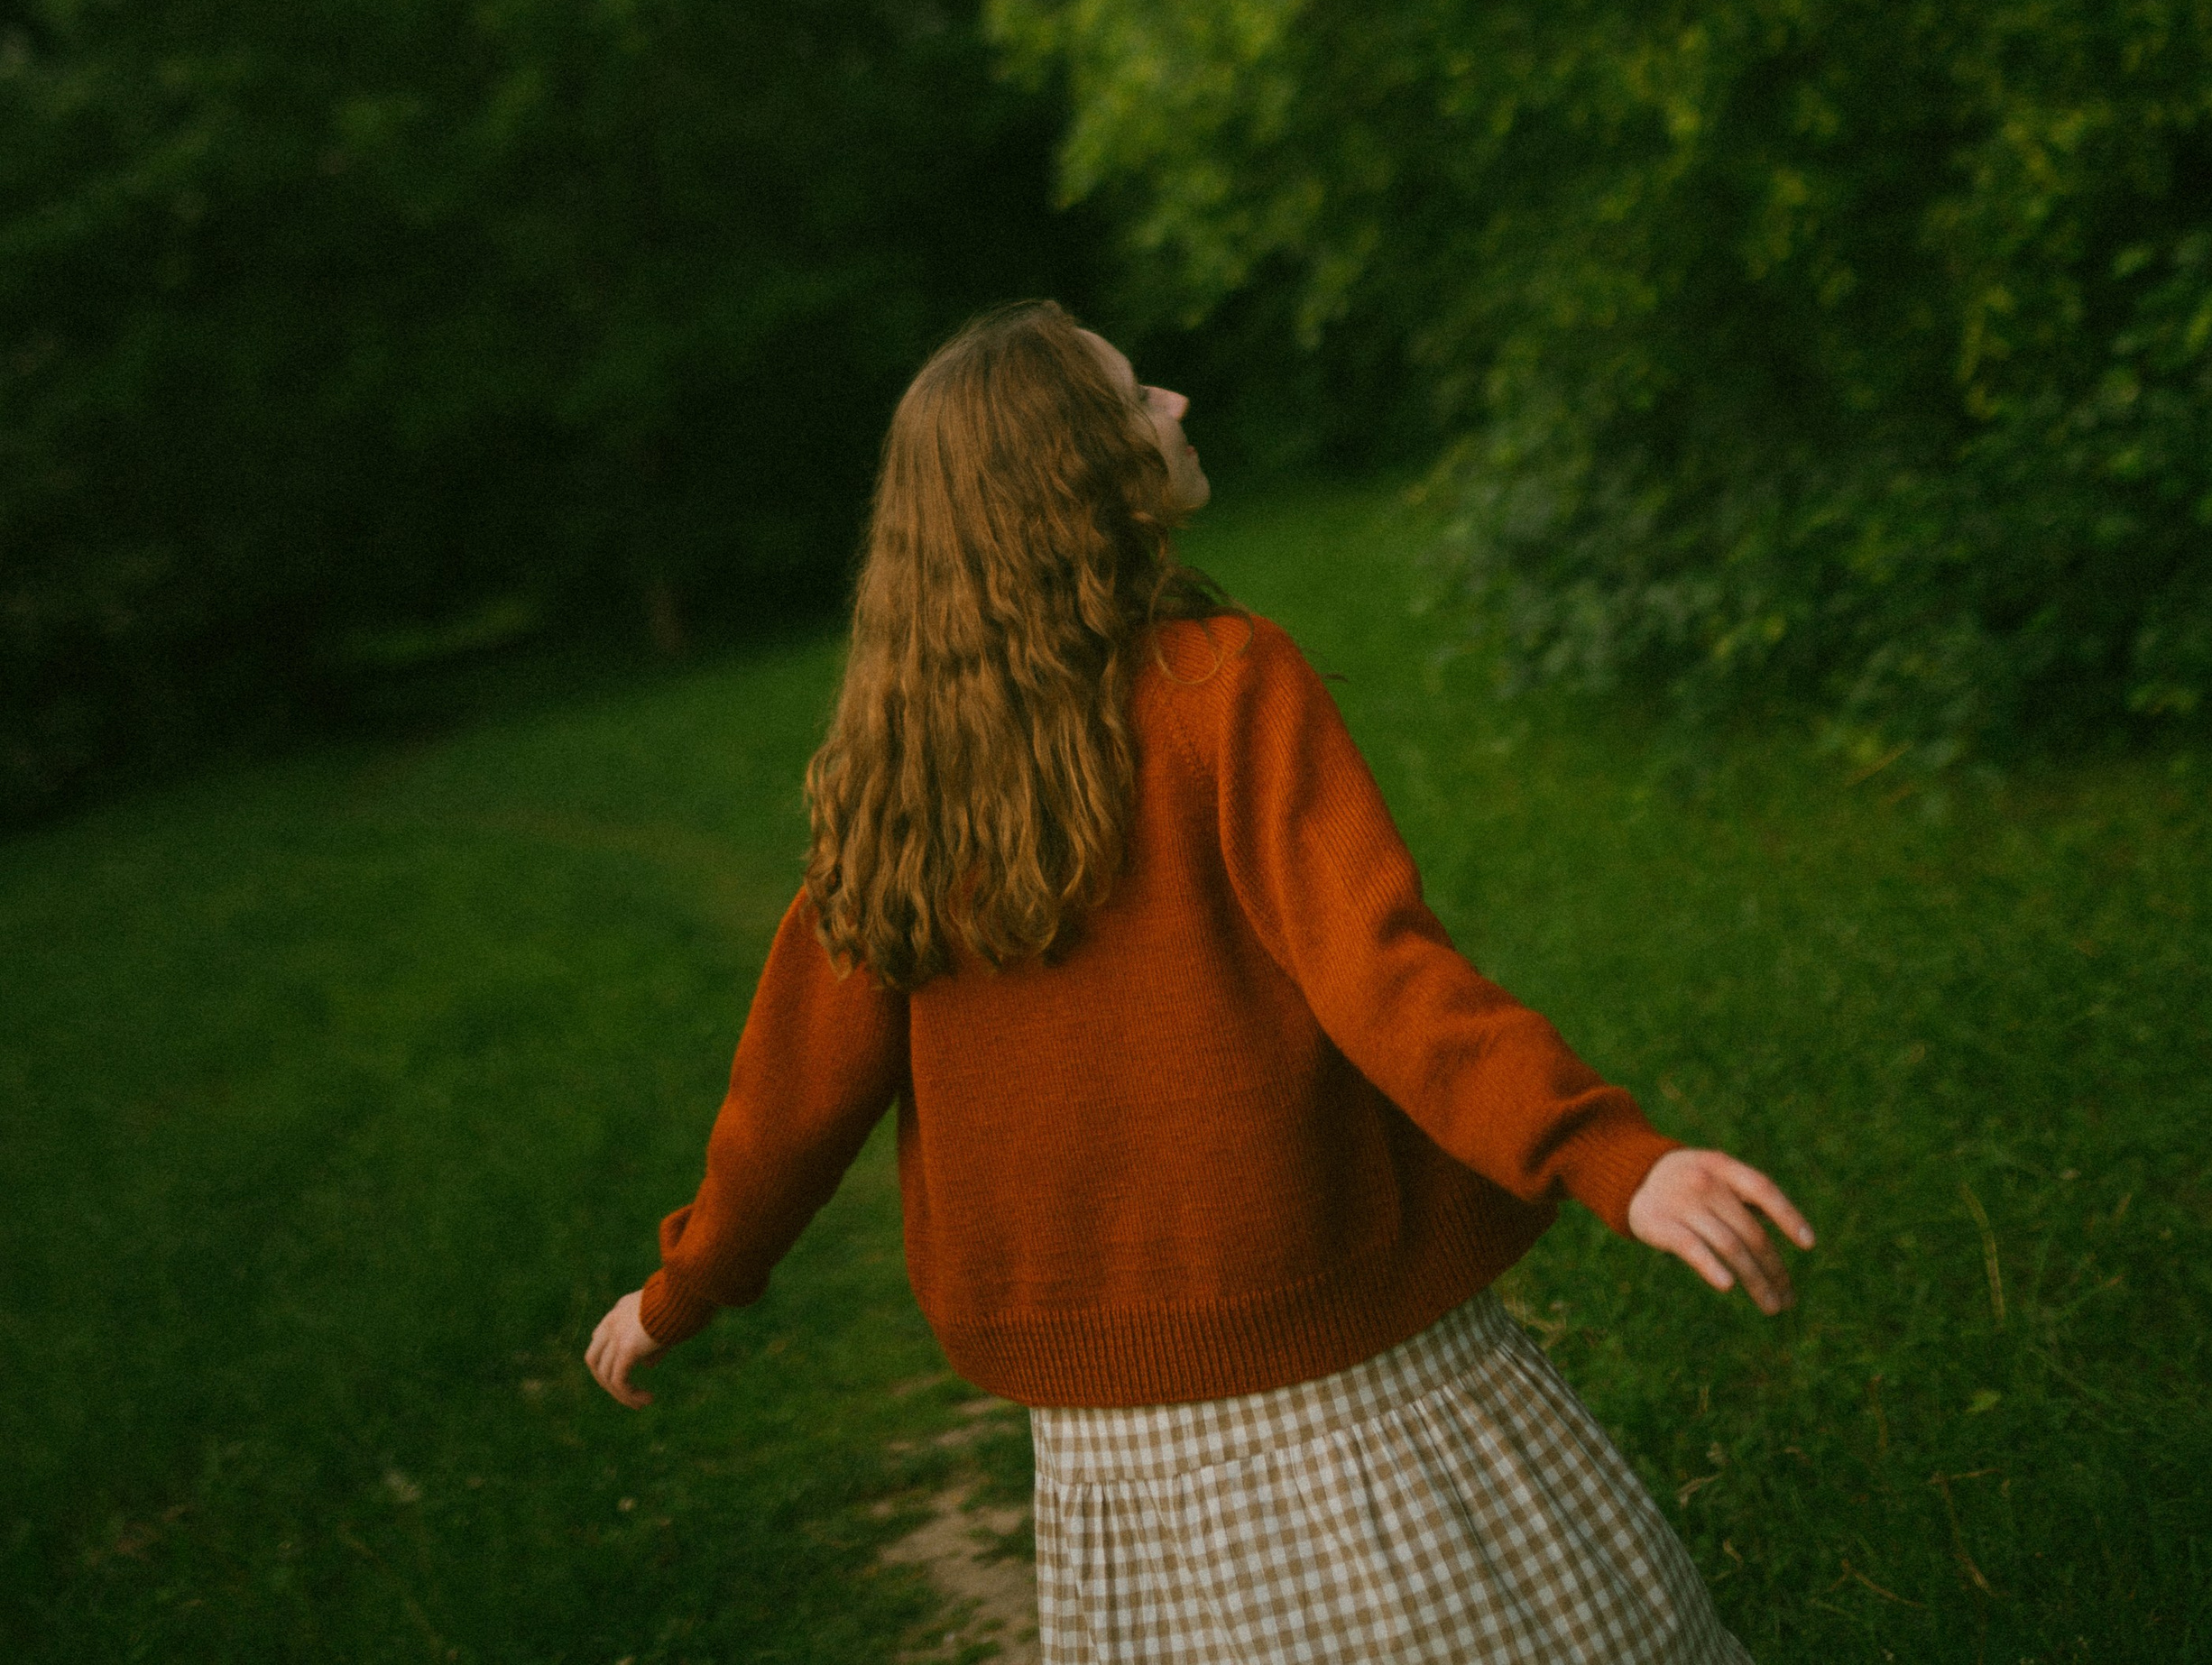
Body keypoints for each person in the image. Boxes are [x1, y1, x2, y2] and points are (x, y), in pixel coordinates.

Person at [586, 301, 1811, 1662]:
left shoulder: (897, 776)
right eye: (1133, 395)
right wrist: (1610, 1153)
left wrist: (676, 1293)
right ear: (1078, 472)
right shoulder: (1226, 683)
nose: (1173, 398)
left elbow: (785, 1106)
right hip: (1357, 1388)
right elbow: (1384, 970)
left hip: (1122, 1460)